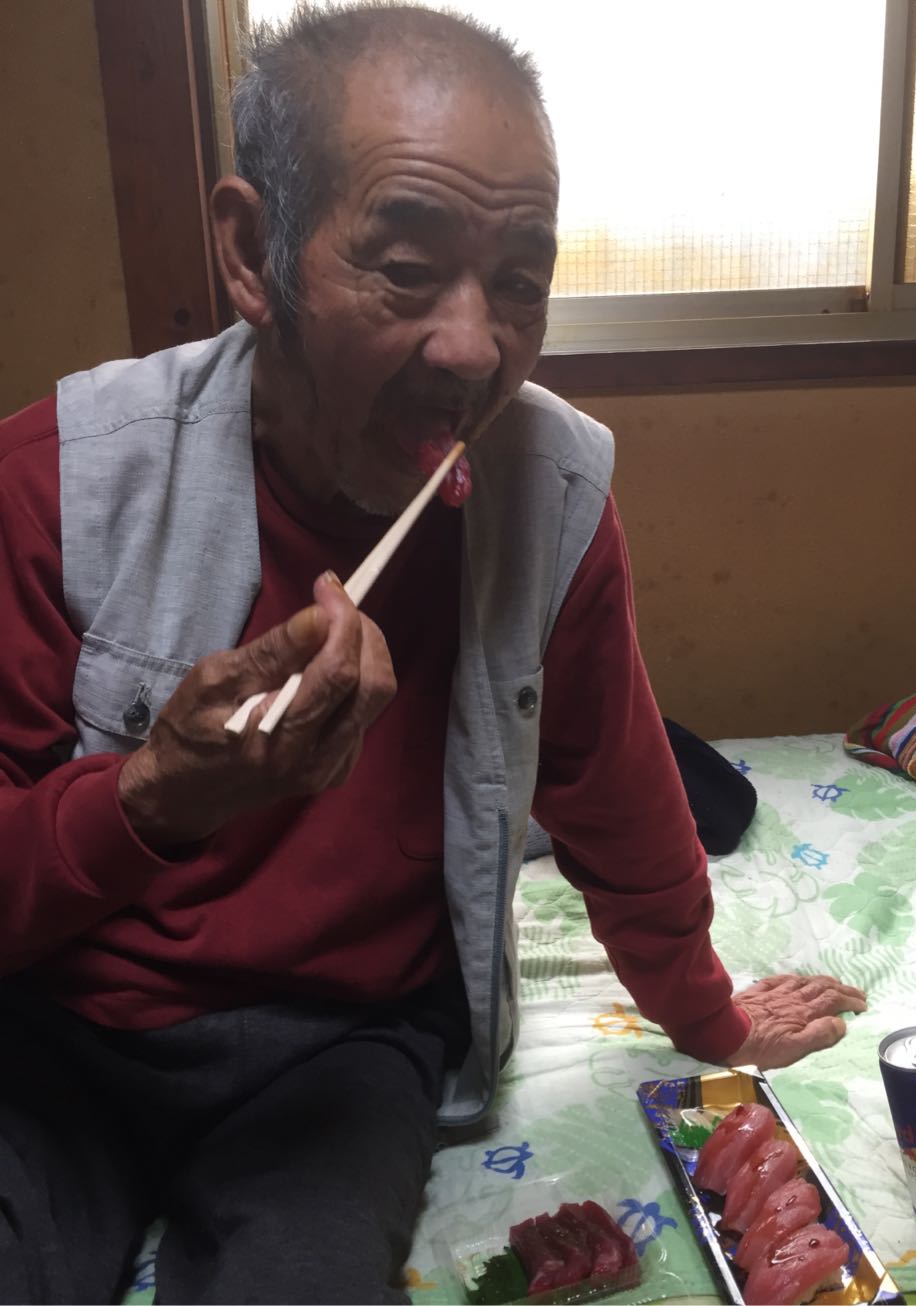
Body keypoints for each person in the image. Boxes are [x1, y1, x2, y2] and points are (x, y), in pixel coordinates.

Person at [0, 4, 866, 1302]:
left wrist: (711, 1016)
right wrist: (151, 799)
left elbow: (621, 801)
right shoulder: (59, 484)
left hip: (346, 1042)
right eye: (407, 268)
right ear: (252, 254)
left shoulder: (550, 497)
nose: (475, 348)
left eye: (519, 281)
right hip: (61, 1028)